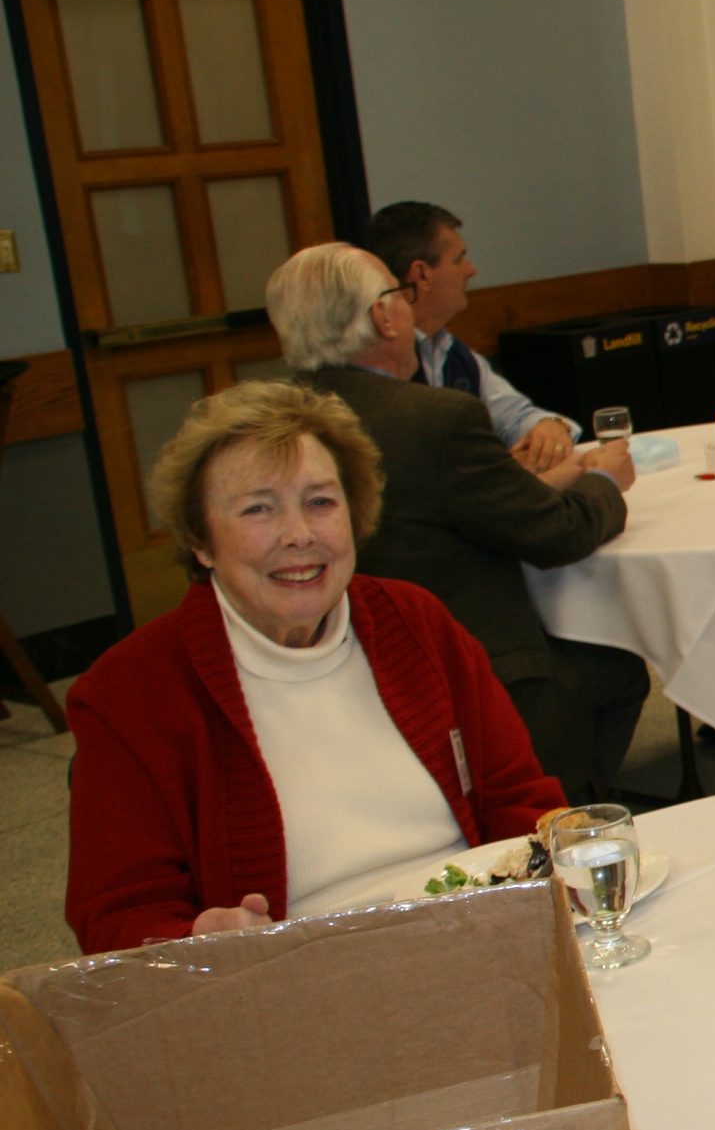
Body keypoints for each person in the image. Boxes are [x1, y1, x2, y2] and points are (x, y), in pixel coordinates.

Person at [65, 379, 562, 954]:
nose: (299, 535)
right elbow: (118, 919)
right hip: (300, 973)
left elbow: (519, 800)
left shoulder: (416, 622)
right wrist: (200, 937)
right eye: (258, 508)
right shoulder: (130, 692)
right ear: (201, 542)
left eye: (320, 502)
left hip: (481, 940)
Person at [276, 243, 645, 804]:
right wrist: (604, 481)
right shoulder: (435, 419)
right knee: (620, 668)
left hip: (335, 673)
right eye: (400, 296)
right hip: (473, 673)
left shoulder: (279, 426)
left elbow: (446, 504)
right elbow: (557, 534)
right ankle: (568, 810)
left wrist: (546, 476)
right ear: (384, 316)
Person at [365, 202, 579, 472]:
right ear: (422, 274)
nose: (471, 270)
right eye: (458, 260)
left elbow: (516, 417)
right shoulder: (380, 361)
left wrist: (550, 427)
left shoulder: (452, 351)